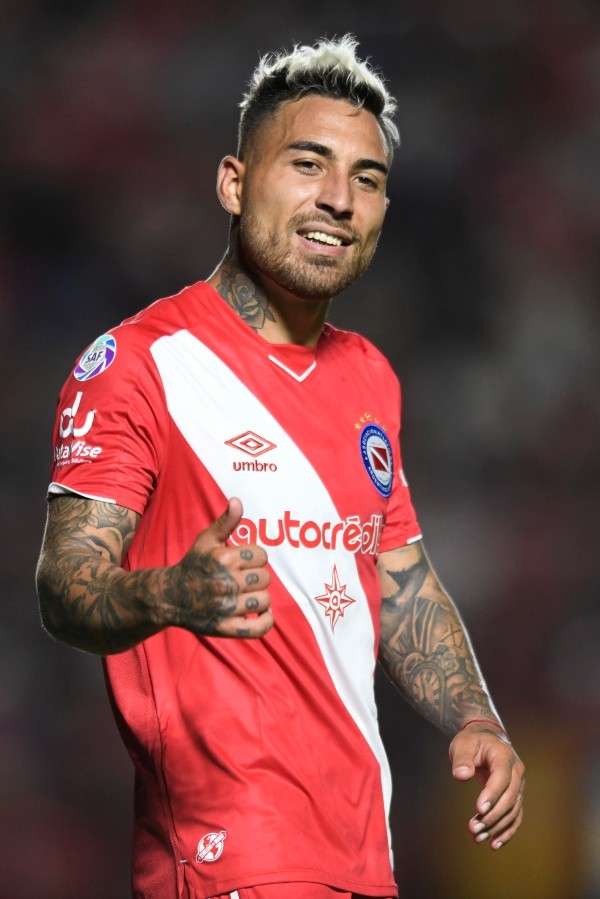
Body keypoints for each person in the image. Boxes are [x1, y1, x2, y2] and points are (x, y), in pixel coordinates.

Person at [36, 35, 524, 899]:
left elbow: (401, 580)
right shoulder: (140, 363)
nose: (339, 198)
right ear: (233, 181)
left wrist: (474, 714)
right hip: (229, 859)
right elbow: (64, 584)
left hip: (364, 858)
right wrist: (168, 594)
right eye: (308, 163)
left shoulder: (370, 375)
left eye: (367, 179)